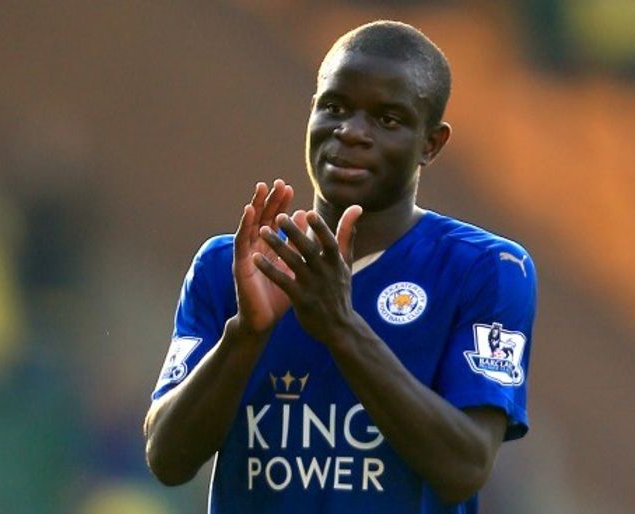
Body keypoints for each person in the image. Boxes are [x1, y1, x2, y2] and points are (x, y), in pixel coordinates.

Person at [143, 20, 537, 514]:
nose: (351, 132)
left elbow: (464, 469)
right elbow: (167, 460)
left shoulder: (487, 269)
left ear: (431, 144)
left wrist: (342, 328)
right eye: (335, 107)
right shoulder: (233, 266)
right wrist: (244, 335)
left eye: (388, 119)